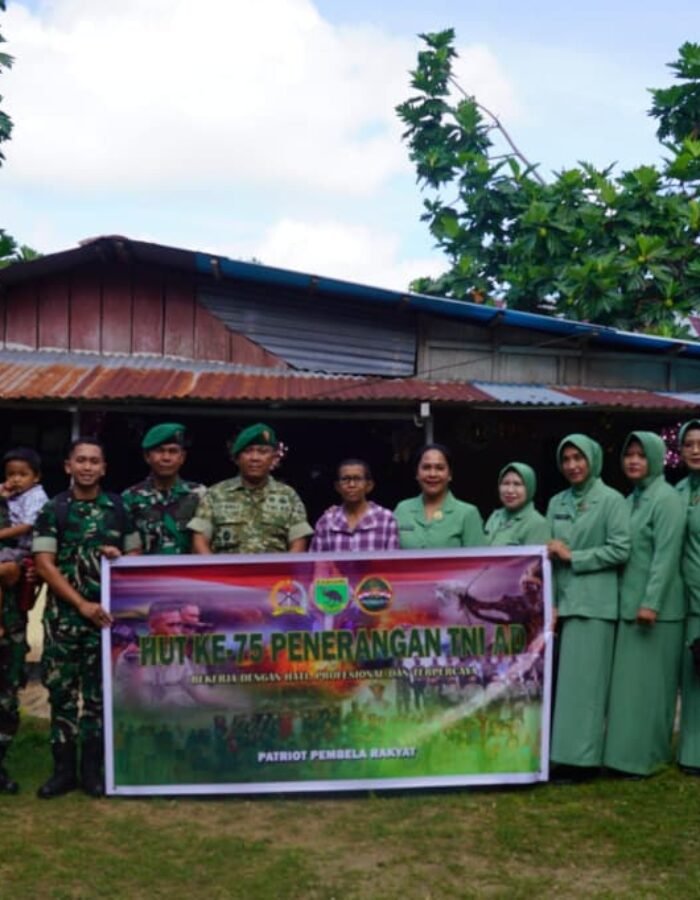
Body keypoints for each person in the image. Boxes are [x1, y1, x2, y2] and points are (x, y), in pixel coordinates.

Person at [32, 436, 141, 799]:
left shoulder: (118, 508)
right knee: (62, 695)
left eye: (95, 461)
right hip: (64, 620)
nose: (88, 467)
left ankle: (93, 771)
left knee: (99, 697)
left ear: (104, 468)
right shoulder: (53, 509)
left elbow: (135, 554)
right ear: (68, 466)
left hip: (106, 620)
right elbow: (44, 564)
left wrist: (119, 557)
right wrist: (80, 604)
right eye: (81, 460)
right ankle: (63, 772)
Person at [546, 433, 630, 779]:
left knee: (586, 689)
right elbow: (549, 557)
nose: (572, 465)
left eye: (578, 458)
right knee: (565, 688)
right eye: (566, 459)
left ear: (593, 459)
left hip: (594, 604)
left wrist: (574, 556)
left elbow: (620, 549)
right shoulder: (556, 502)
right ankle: (563, 755)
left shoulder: (611, 500)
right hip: (564, 603)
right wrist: (551, 603)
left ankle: (583, 761)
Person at [603, 431, 685, 777]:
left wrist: (651, 603)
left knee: (651, 690)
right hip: (628, 607)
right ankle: (624, 756)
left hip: (657, 612)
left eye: (641, 454)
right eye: (629, 454)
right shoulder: (629, 499)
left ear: (655, 457)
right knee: (629, 691)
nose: (634, 461)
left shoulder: (666, 499)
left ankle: (647, 757)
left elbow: (666, 556)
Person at [189, 423, 312, 554]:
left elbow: (298, 544)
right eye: (248, 451)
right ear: (237, 458)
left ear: (273, 458)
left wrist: (285, 567)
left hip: (274, 568)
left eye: (262, 452)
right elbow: (200, 541)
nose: (255, 458)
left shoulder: (288, 496)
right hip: (226, 567)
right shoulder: (215, 494)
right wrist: (214, 567)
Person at [122, 422, 205, 555]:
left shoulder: (199, 495)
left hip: (188, 568)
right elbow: (131, 549)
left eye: (173, 451)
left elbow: (204, 545)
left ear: (182, 457)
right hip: (146, 568)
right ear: (147, 457)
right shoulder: (130, 498)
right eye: (159, 451)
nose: (166, 458)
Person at [394, 443, 484, 549]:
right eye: (426, 467)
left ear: (450, 475)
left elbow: (478, 558)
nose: (432, 474)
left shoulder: (467, 514)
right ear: (417, 474)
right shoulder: (402, 509)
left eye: (440, 468)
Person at [0, 448, 48, 638]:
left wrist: (1, 534)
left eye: (22, 474)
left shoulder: (36, 496)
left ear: (36, 477)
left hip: (25, 549)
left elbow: (27, 526)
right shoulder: (11, 491)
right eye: (11, 474)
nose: (16, 479)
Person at [675, 419, 700, 775]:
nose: (696, 450)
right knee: (691, 680)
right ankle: (691, 754)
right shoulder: (677, 491)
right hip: (684, 601)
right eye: (689, 444)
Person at [310, 459, 399, 552]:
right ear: (337, 486)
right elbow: (316, 560)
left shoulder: (385, 519)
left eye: (358, 479)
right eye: (345, 479)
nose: (351, 485)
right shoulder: (326, 522)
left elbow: (392, 559)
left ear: (369, 485)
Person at [484, 463, 550, 546]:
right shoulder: (495, 516)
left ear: (530, 488)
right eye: (506, 483)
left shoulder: (537, 523)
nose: (510, 490)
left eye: (517, 484)